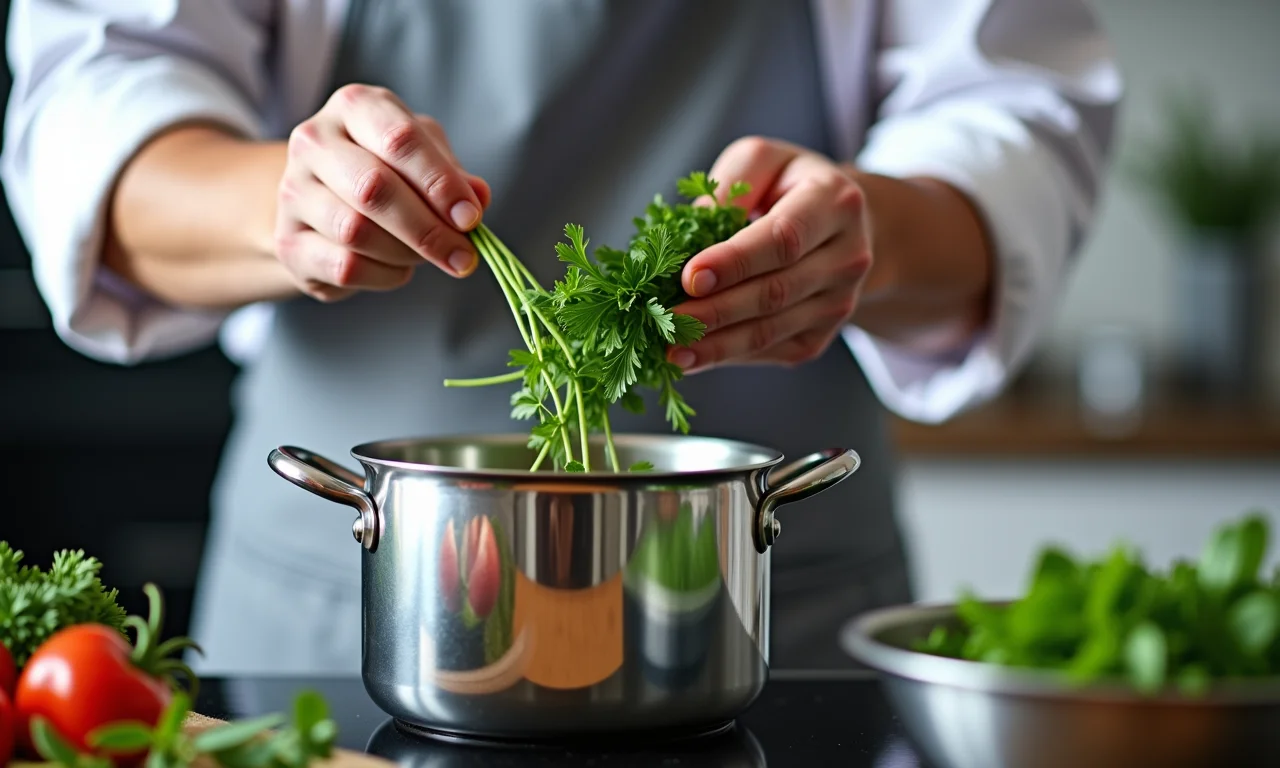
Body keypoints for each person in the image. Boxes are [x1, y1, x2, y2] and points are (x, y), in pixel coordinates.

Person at [2, 0, 1120, 673]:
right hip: (341, 606)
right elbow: (92, 92)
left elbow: (1016, 110)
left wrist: (865, 234)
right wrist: (286, 206)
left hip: (768, 612)